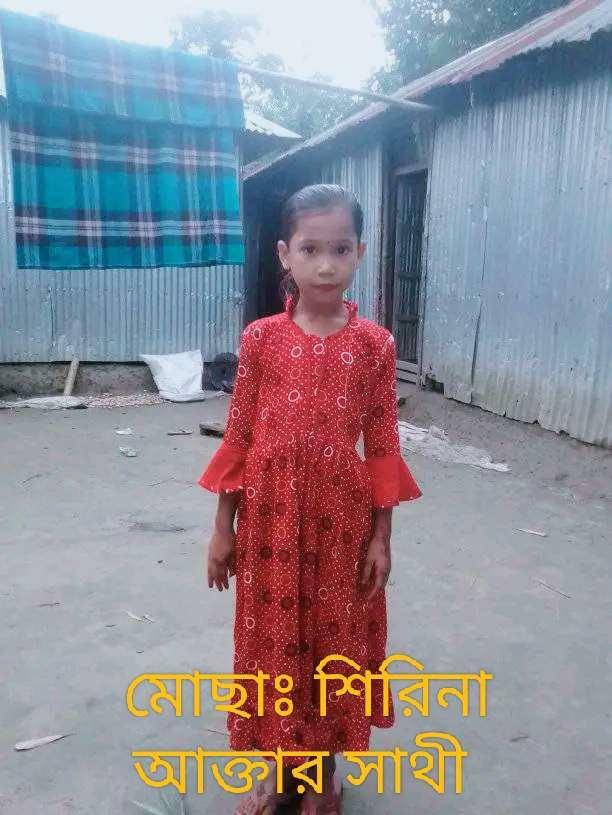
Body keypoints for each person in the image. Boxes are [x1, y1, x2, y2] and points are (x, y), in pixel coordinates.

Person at [198, 184, 422, 814]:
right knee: (274, 644)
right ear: (285, 254)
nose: (326, 265)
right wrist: (223, 528)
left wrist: (381, 538)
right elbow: (240, 435)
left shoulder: (375, 345)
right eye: (310, 249)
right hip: (271, 523)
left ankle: (323, 776)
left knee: (333, 645)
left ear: (360, 253)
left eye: (341, 249)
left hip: (341, 526)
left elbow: (382, 444)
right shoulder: (262, 340)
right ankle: (278, 772)